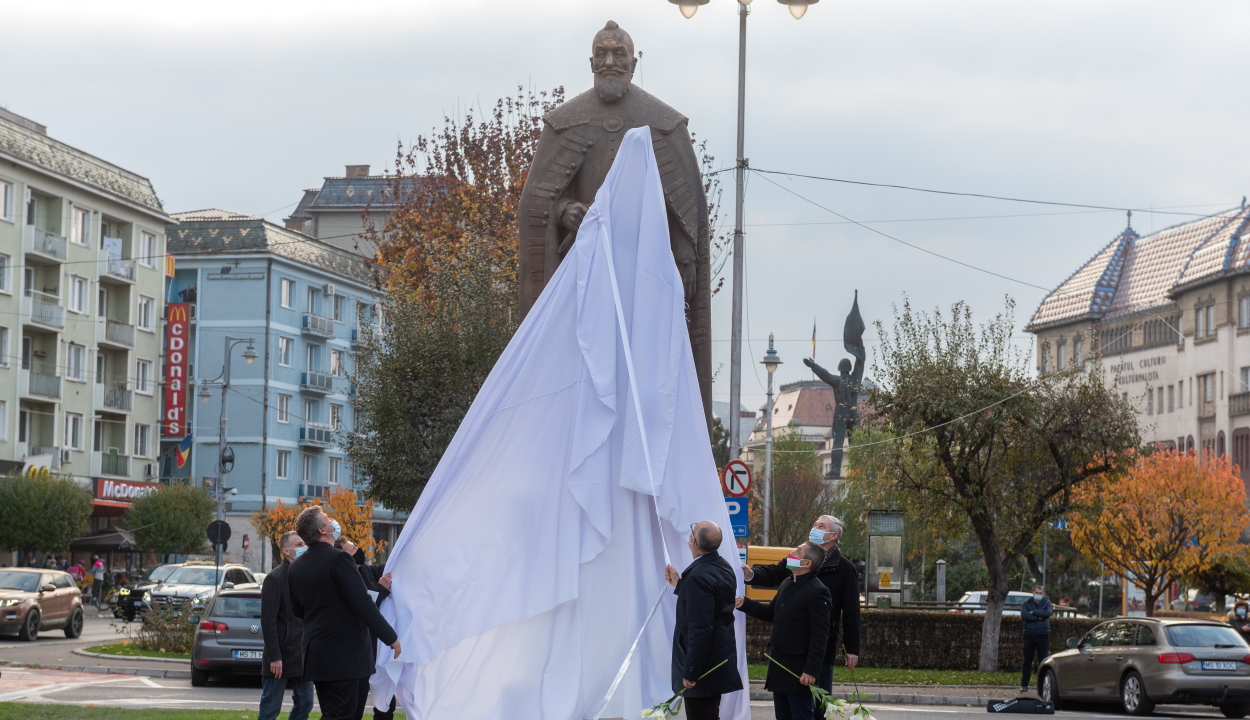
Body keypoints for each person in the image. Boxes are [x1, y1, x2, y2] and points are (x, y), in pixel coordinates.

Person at [288, 507, 400, 720]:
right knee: (341, 715)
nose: (333, 520)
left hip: (317, 653)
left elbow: (298, 609)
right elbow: (363, 603)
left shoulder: (296, 566)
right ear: (323, 530)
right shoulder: (339, 559)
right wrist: (391, 637)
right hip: (345, 656)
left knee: (337, 712)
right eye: (327, 519)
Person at [742, 515, 860, 692]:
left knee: (816, 702)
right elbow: (775, 572)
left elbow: (851, 611)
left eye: (821, 526)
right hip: (791, 645)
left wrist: (851, 649)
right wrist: (752, 574)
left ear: (834, 535)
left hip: (820, 646)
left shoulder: (844, 568)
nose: (815, 529)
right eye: (814, 524)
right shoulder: (798, 558)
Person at [736, 542, 830, 720]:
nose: (792, 553)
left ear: (807, 563)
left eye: (798, 551)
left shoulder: (818, 591)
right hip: (780, 668)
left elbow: (820, 635)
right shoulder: (787, 582)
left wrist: (811, 670)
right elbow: (772, 613)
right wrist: (745, 603)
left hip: (799, 671)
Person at [663, 520, 742, 720]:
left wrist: (691, 670)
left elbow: (700, 628)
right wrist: (680, 585)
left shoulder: (698, 575)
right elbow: (712, 604)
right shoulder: (723, 566)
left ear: (694, 541)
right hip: (717, 658)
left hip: (703, 667)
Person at [260, 531, 314, 720]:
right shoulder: (275, 578)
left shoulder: (307, 575)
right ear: (286, 551)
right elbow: (268, 621)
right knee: (270, 709)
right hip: (279, 657)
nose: (304, 547)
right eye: (299, 544)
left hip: (302, 655)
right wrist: (275, 656)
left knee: (306, 704)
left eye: (304, 543)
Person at [1021, 585, 1052, 694]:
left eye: (1040, 593)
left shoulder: (1047, 603)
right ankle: (1024, 684)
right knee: (1027, 662)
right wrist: (1039, 617)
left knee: (1043, 662)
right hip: (1029, 636)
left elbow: (1047, 613)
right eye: (1036, 593)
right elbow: (1024, 615)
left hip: (1042, 635)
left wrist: (1033, 612)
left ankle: (1043, 685)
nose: (1038, 595)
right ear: (1032, 592)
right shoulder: (1026, 603)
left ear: (1043, 594)